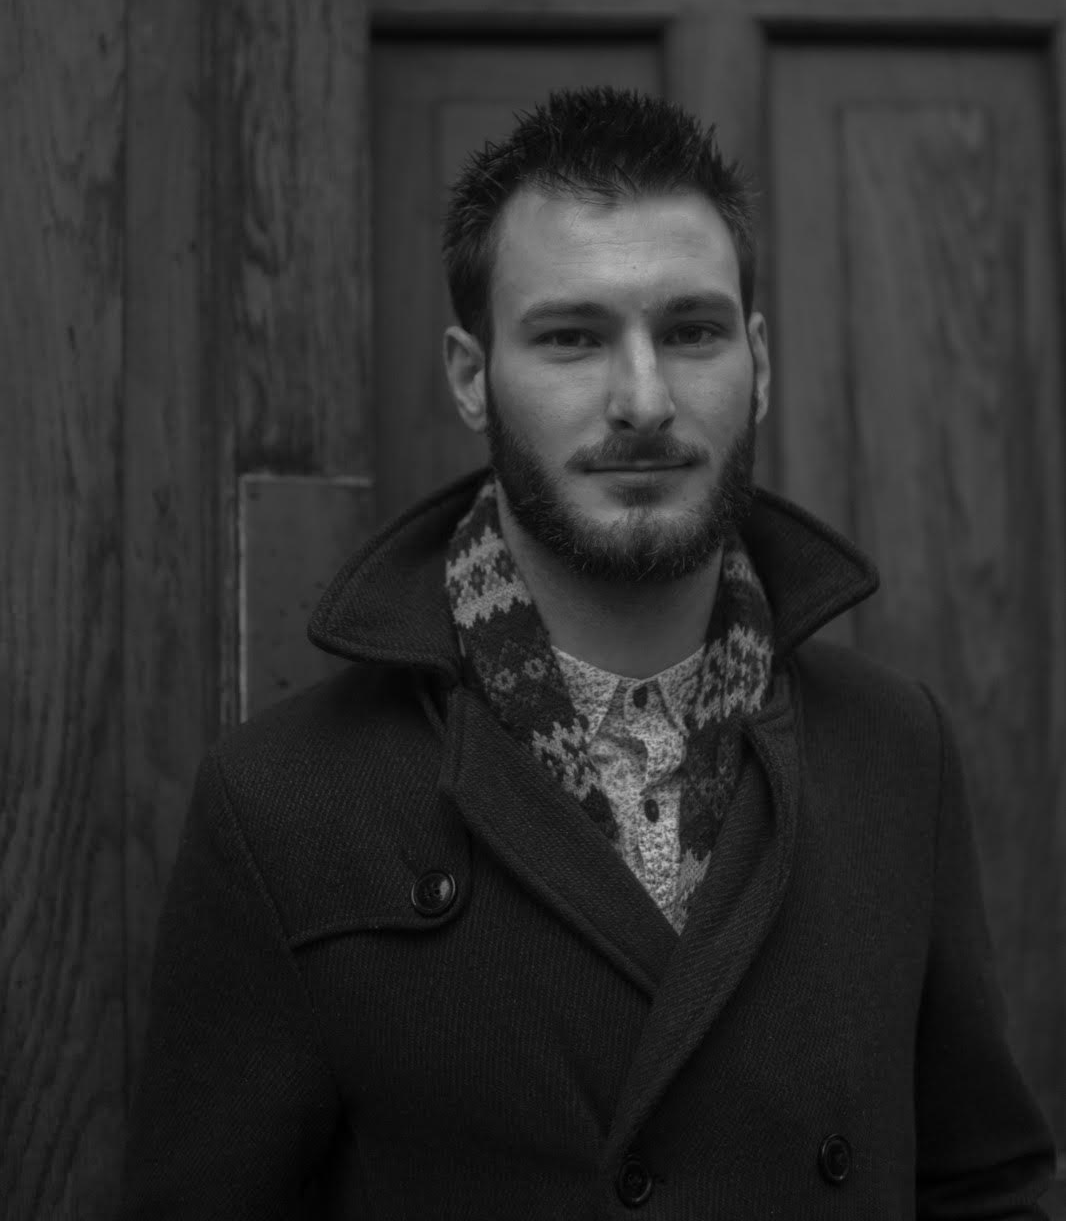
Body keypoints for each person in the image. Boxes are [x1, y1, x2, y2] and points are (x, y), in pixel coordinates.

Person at [120, 86, 1056, 1219]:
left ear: (756, 356)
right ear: (472, 376)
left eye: (691, 330)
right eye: (572, 337)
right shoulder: (284, 803)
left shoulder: (896, 746)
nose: (644, 398)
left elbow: (982, 1184)